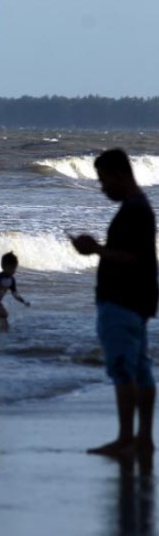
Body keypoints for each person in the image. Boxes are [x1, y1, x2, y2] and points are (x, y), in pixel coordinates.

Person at [72, 149, 159, 458]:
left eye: (104, 180)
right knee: (141, 370)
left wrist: (95, 249)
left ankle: (126, 439)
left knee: (124, 370)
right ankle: (143, 439)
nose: (102, 187)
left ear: (120, 174)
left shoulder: (134, 210)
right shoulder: (140, 207)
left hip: (121, 301)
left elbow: (133, 258)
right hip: (137, 301)